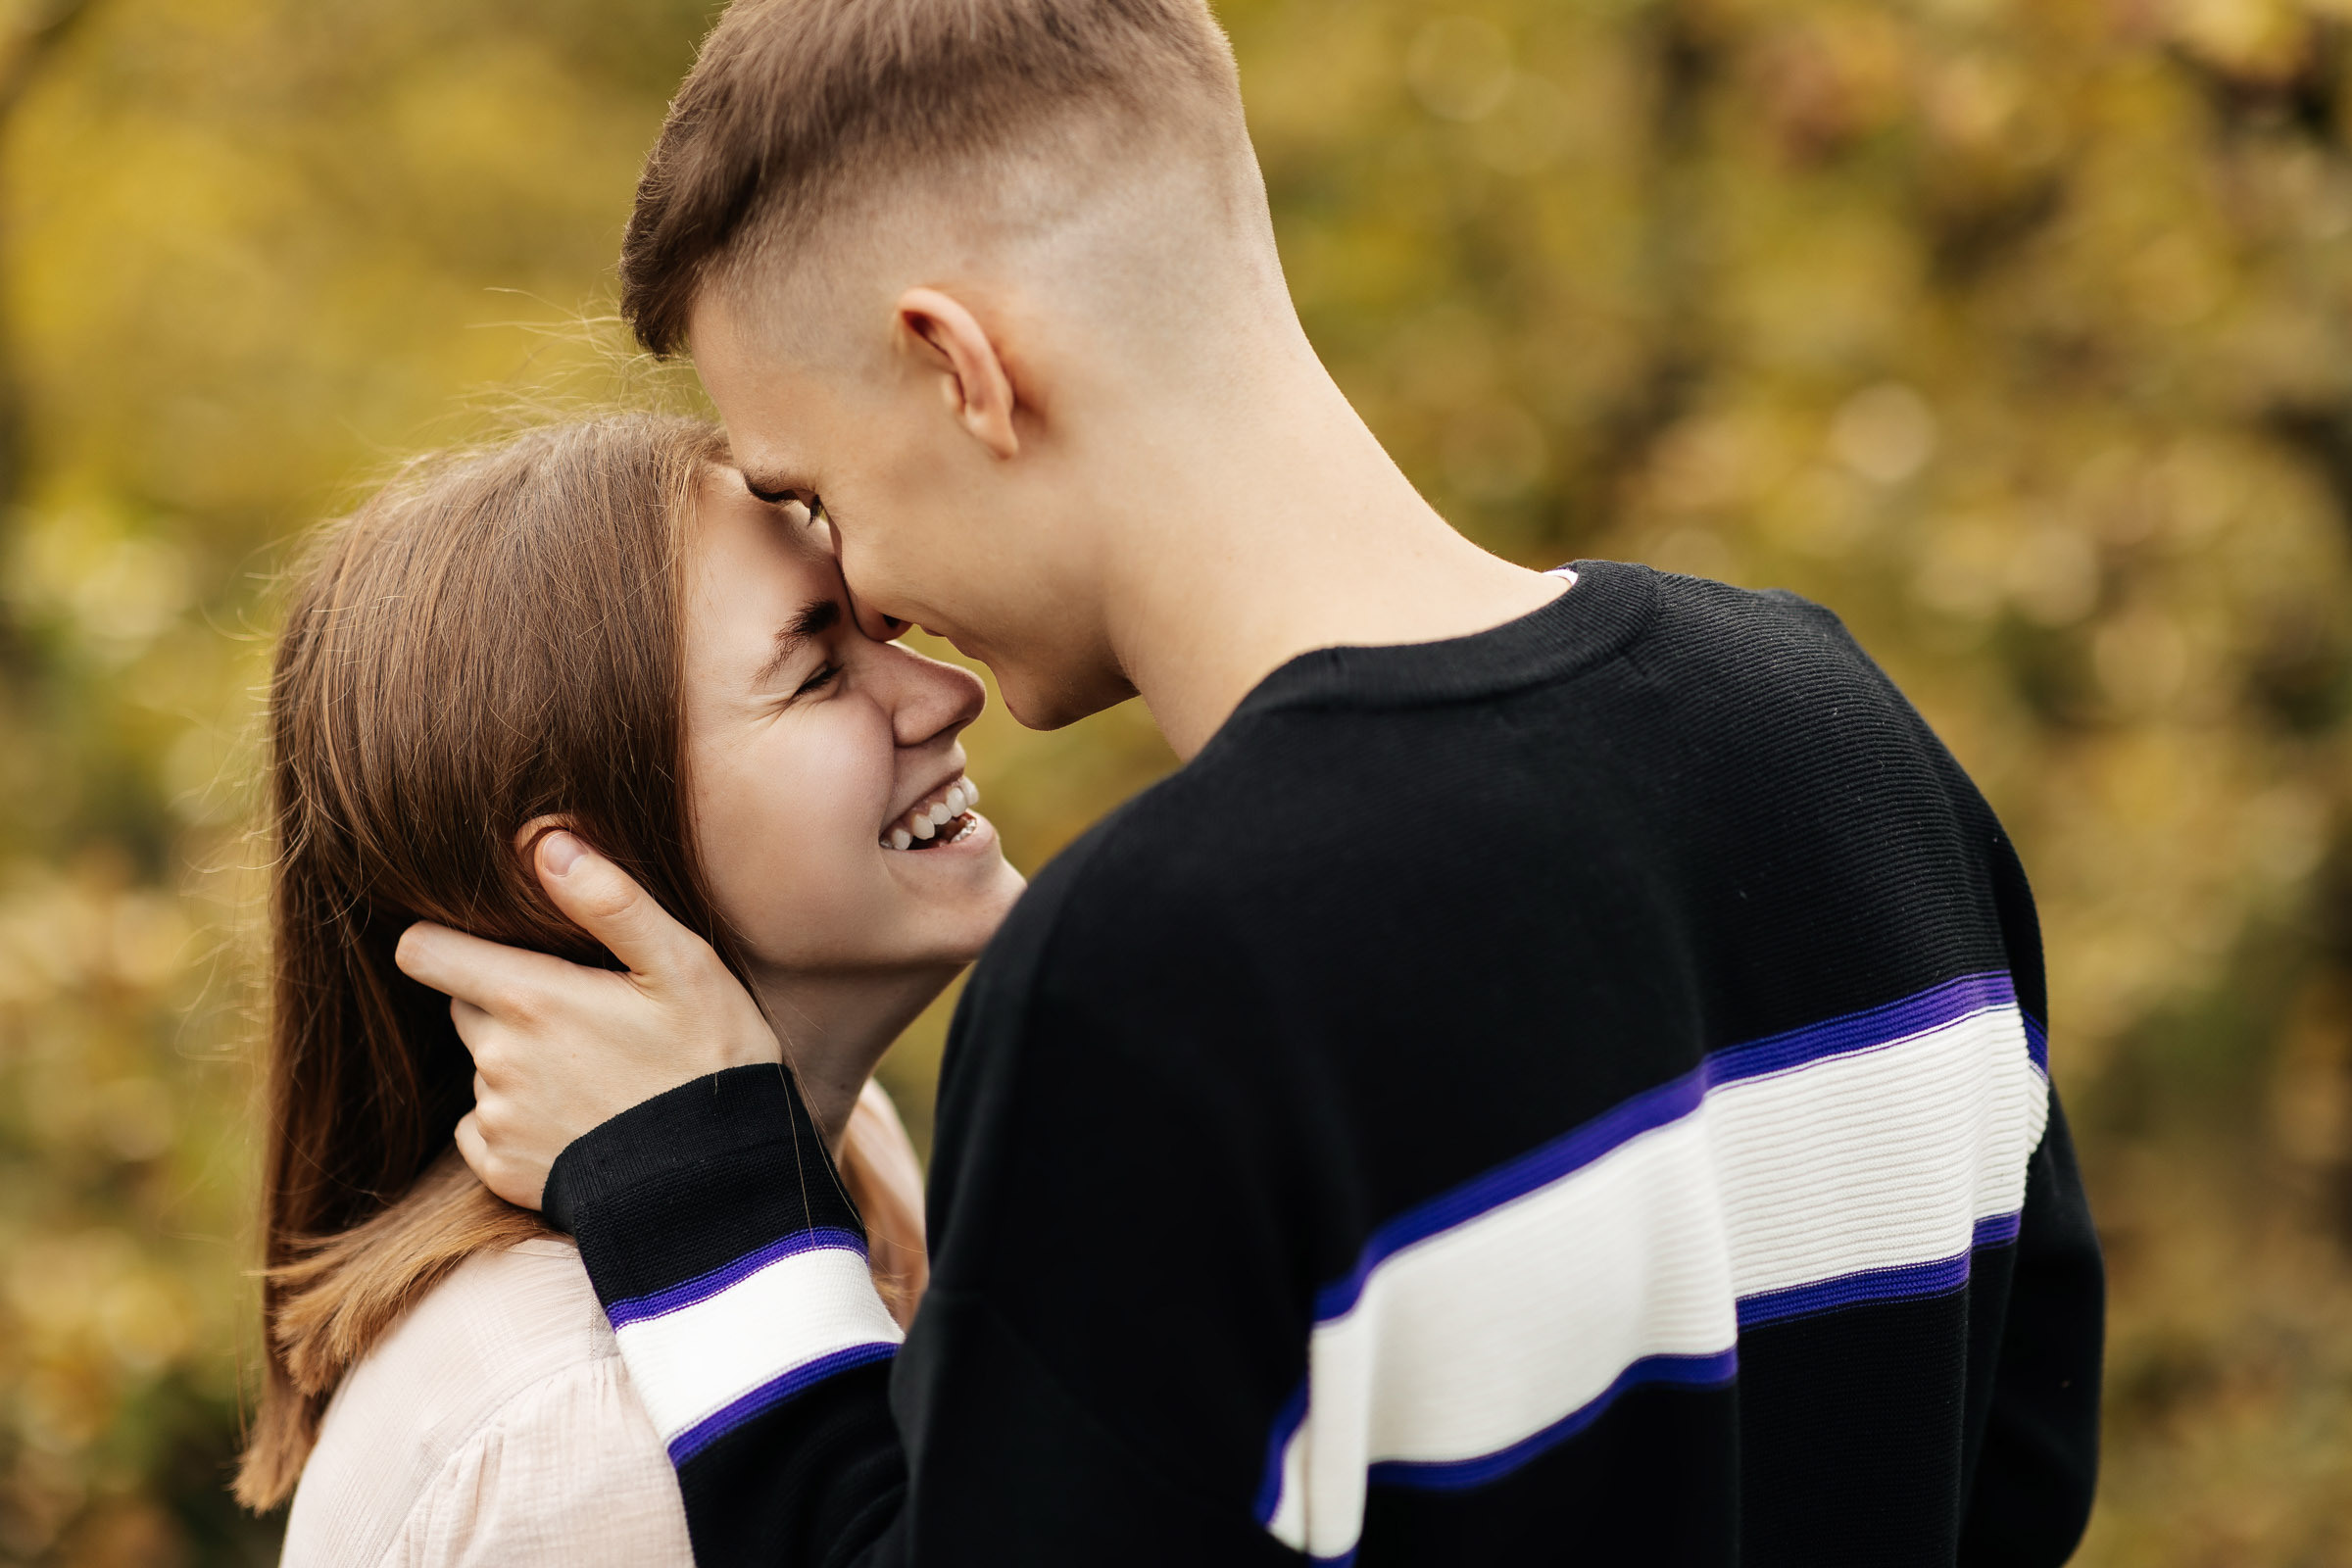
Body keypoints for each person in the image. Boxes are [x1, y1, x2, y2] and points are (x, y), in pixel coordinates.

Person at [395, 2, 2107, 1563]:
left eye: (824, 495)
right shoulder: (1845, 737)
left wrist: (703, 1202)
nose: (880, 591)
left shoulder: (1169, 967)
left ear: (960, 369)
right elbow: (2017, 1471)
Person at [235, 415, 1023, 1566]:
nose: (947, 691)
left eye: (876, 624)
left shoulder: (853, 1165)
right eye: (816, 672)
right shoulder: (587, 1427)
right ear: (581, 872)